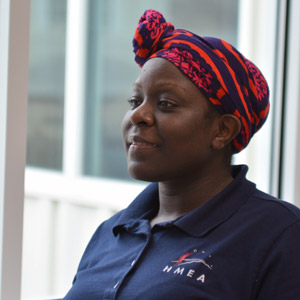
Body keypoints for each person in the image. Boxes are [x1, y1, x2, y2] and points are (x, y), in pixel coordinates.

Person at [63, 9, 300, 300]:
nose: (138, 115)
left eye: (165, 103)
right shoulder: (112, 231)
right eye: (134, 100)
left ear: (222, 130)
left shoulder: (281, 235)